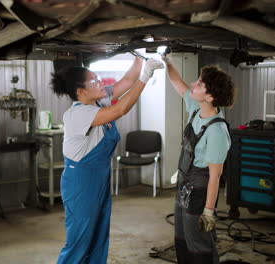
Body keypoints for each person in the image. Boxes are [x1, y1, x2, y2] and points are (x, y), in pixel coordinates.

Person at [51, 51, 164, 264]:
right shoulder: (78, 114)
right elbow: (121, 109)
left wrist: (138, 55)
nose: (99, 81)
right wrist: (146, 75)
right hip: (81, 183)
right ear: (80, 91)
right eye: (93, 81)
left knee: (99, 235)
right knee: (80, 240)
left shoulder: (99, 101)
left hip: (99, 178)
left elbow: (128, 81)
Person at [163, 55, 235, 264]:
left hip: (200, 193)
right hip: (184, 186)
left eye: (200, 83)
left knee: (198, 243)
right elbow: (178, 82)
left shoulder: (217, 131)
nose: (193, 84)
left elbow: (215, 177)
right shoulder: (196, 110)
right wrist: (167, 63)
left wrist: (209, 212)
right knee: (182, 238)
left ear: (210, 96)